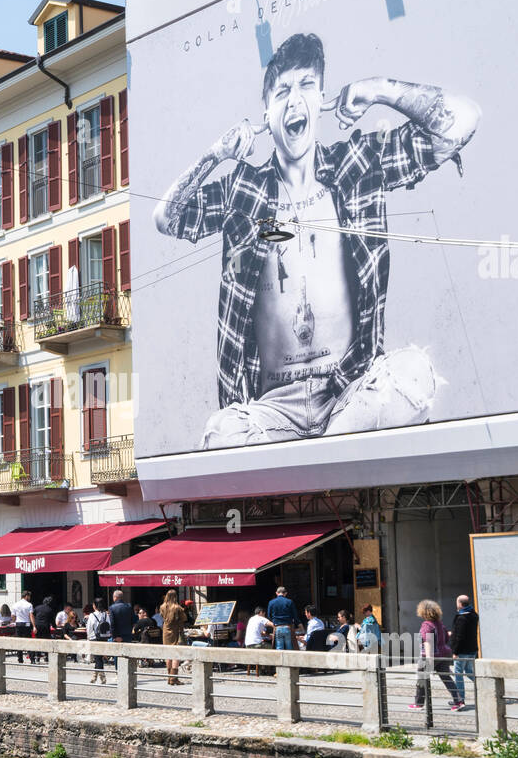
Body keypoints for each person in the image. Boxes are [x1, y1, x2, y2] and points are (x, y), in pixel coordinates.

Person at [154, 31, 479, 449]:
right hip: (273, 409)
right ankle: (327, 455)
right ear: (266, 113)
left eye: (306, 85)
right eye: (282, 91)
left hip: (349, 393)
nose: (294, 101)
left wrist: (377, 90)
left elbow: (460, 123)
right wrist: (216, 154)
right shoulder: (243, 191)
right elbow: (167, 218)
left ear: (322, 98)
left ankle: (326, 451)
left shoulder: (357, 164)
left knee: (414, 372)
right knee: (221, 431)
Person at [411, 600, 464, 712]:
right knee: (447, 678)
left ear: (423, 612)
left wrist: (429, 659)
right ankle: (458, 701)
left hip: (430, 656)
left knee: (421, 678)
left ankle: (418, 703)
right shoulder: (440, 624)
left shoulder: (426, 625)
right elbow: (446, 638)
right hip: (444, 654)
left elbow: (428, 642)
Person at [449, 595, 479, 703]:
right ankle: (483, 685)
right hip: (472, 649)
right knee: (469, 671)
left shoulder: (462, 618)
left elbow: (460, 637)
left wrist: (455, 652)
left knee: (458, 674)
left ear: (460, 604)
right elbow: (466, 632)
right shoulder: (474, 615)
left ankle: (459, 699)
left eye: (457, 602)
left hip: (462, 651)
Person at [159, 589, 188, 685]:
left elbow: (162, 617)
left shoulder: (162, 607)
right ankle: (173, 678)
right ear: (175, 597)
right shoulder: (178, 607)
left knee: (168, 654)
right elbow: (184, 619)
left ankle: (169, 677)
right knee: (176, 654)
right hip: (176, 631)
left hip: (165, 631)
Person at [86, 598, 112, 684]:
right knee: (99, 657)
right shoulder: (105, 614)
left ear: (95, 605)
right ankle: (94, 676)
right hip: (104, 637)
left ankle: (102, 677)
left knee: (98, 658)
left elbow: (89, 628)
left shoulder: (92, 615)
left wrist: (89, 637)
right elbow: (109, 625)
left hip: (95, 638)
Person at [12, 590, 34, 664]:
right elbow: (31, 616)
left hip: (18, 624)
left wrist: (14, 621)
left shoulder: (15, 604)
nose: (30, 598)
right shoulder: (29, 605)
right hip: (26, 624)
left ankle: (20, 659)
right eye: (29, 596)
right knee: (28, 642)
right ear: (26, 596)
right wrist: (34, 626)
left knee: (19, 642)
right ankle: (32, 659)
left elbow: (13, 616)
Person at [32, 597, 56, 663]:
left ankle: (37, 657)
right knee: (46, 641)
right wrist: (55, 627)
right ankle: (46, 657)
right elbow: (52, 620)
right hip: (45, 627)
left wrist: (33, 625)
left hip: (37, 626)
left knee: (38, 641)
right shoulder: (50, 610)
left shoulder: (37, 607)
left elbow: (32, 615)